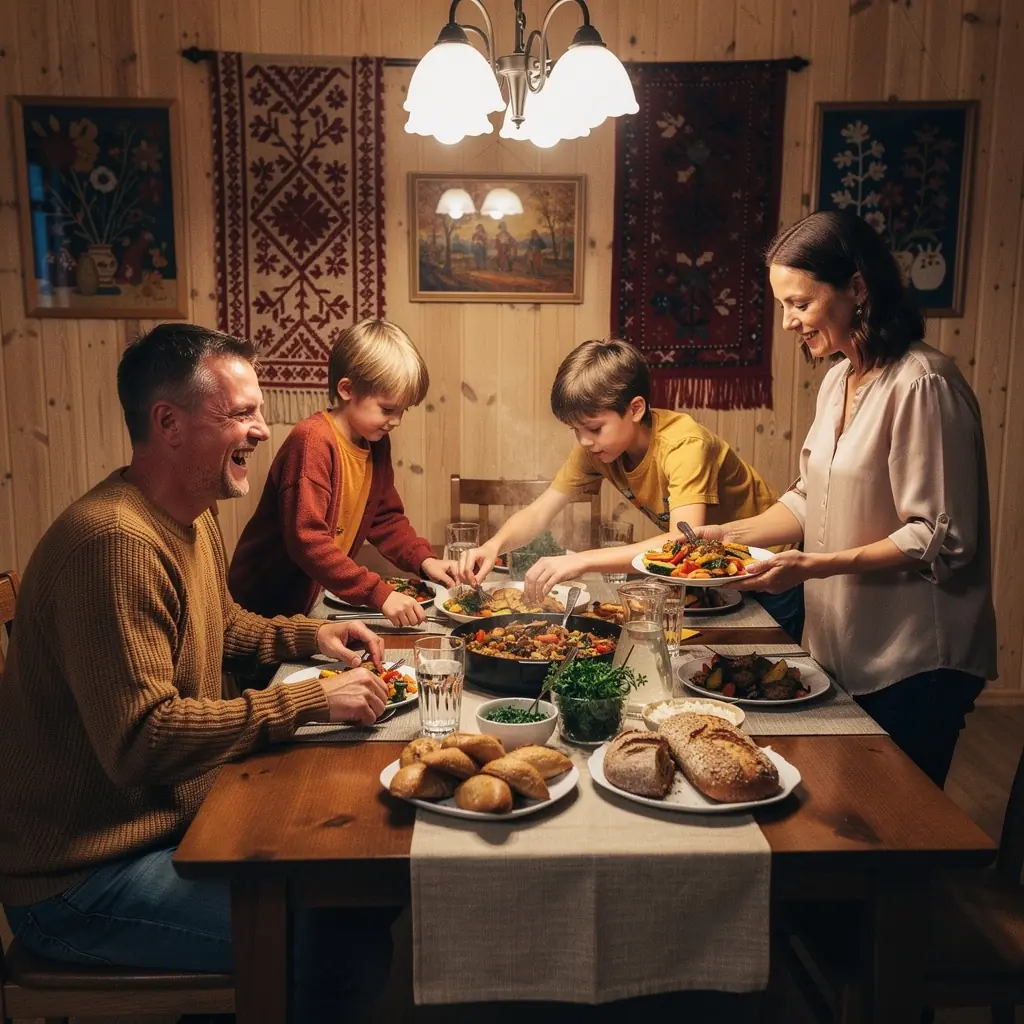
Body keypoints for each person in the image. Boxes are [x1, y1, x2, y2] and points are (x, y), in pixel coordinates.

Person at [0, 323, 396, 1022]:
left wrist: (315, 635)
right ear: (168, 423)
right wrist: (306, 701)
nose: (263, 431)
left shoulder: (191, 515)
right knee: (340, 940)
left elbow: (226, 627)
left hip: (161, 826)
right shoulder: (114, 543)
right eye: (242, 413)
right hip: (82, 878)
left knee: (353, 892)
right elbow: (141, 740)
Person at [701, 209, 996, 787]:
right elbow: (810, 498)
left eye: (799, 303)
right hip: (845, 647)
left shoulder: (923, 383)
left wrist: (814, 567)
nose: (787, 322)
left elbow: (939, 537)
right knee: (845, 816)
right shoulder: (838, 379)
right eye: (782, 305)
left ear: (858, 287)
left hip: (914, 660)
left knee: (895, 834)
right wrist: (722, 541)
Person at [457, 338, 804, 640]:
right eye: (575, 430)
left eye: (593, 428)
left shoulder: (684, 445)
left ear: (635, 409)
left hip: (770, 563)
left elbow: (678, 542)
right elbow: (540, 510)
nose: (584, 441)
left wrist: (582, 561)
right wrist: (494, 544)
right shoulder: (597, 450)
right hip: (710, 574)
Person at [229, 318, 457, 627]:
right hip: (265, 605)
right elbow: (307, 540)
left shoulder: (375, 442)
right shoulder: (312, 442)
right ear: (347, 389)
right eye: (388, 409)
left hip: (307, 601)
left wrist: (425, 560)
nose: (396, 421)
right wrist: (380, 593)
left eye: (403, 411)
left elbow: (385, 519)